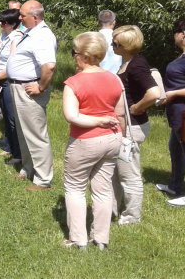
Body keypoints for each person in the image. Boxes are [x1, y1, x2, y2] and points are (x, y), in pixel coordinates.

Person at [62, 31, 123, 250]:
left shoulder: (73, 83)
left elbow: (71, 116)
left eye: (74, 53)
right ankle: (101, 239)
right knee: (103, 189)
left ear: (85, 56)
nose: (73, 57)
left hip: (85, 140)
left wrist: (97, 121)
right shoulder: (114, 78)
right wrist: (114, 130)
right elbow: (120, 113)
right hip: (112, 138)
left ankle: (78, 239)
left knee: (75, 187)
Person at [111, 25, 160, 224]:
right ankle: (113, 209)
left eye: (116, 43)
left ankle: (132, 216)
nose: (112, 45)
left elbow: (154, 93)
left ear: (126, 45)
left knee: (129, 173)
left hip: (133, 126)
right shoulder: (128, 62)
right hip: (125, 124)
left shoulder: (136, 65)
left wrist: (137, 107)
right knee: (117, 171)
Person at [7, 0, 57, 190]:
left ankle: (43, 180)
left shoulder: (42, 36)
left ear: (35, 17)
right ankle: (28, 169)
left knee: (36, 134)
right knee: (24, 132)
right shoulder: (31, 33)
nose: (19, 18)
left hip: (29, 90)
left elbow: (49, 66)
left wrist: (41, 87)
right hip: (18, 87)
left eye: (22, 15)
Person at [157, 18, 185, 207]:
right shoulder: (184, 56)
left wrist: (173, 93)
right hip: (177, 116)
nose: (174, 35)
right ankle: (174, 186)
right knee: (176, 149)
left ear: (183, 34)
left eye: (175, 31)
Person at [0, 9, 24, 164]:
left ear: (14, 24)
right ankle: (10, 147)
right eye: (0, 21)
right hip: (0, 79)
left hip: (9, 81)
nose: (1, 24)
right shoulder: (4, 35)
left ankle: (18, 155)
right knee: (5, 115)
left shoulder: (17, 37)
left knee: (12, 118)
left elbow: (12, 65)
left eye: (4, 22)